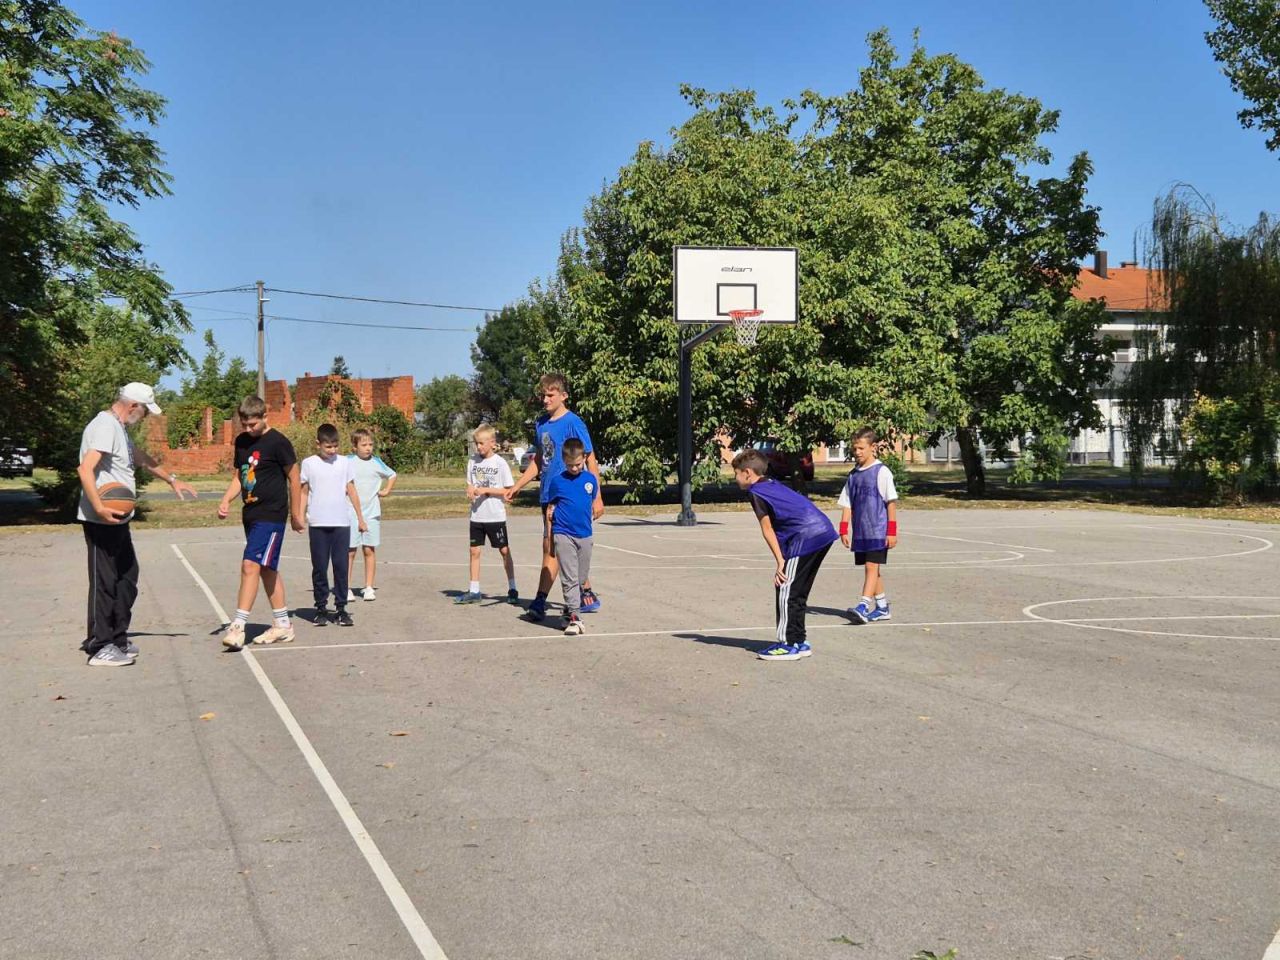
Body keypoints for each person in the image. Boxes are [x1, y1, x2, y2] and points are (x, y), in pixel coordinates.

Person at [77, 383, 197, 666]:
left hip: (118, 519)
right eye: (145, 411)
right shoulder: (105, 426)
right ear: (133, 406)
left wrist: (172, 480)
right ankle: (99, 645)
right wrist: (99, 507)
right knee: (105, 581)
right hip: (102, 518)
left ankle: (117, 638)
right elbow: (85, 469)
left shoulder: (118, 428)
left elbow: (139, 458)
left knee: (127, 577)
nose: (145, 417)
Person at [505, 373, 605, 621]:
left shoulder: (574, 423)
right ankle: (585, 592)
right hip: (549, 495)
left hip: (569, 497)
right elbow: (540, 460)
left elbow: (590, 459)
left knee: (552, 547)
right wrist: (518, 485)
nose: (545, 399)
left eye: (550, 395)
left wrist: (597, 497)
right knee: (562, 547)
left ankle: (540, 601)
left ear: (563, 396)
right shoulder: (541, 424)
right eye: (543, 395)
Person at [733, 449, 837, 662]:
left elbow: (768, 529)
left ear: (748, 473)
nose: (735, 478)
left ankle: (787, 644)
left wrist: (781, 561)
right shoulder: (771, 484)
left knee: (785, 587)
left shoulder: (757, 492)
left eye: (736, 473)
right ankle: (799, 641)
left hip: (806, 536)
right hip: (823, 531)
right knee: (797, 591)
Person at [217, 395, 304, 650]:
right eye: (244, 424)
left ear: (265, 417)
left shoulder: (279, 442)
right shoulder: (242, 441)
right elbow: (240, 476)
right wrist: (226, 499)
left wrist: (296, 514)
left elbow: (295, 478)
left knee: (249, 565)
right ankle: (283, 624)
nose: (248, 429)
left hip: (272, 514)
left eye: (253, 424)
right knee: (267, 568)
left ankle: (238, 626)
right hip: (251, 514)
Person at [299, 423, 366, 627]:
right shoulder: (309, 464)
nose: (332, 450)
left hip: (341, 523)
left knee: (341, 567)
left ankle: (341, 609)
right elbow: (304, 492)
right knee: (320, 567)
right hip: (318, 523)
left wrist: (360, 518)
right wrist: (299, 516)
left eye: (335, 446)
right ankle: (320, 608)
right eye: (328, 447)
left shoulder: (345, 463)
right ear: (318, 444)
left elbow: (351, 490)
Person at [839, 427, 899, 623]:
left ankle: (863, 605)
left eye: (861, 448)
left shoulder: (882, 472)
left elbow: (891, 502)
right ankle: (882, 607)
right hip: (861, 531)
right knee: (873, 569)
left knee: (871, 567)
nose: (857, 452)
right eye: (855, 448)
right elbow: (847, 503)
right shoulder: (853, 475)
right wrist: (843, 528)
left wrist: (891, 531)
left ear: (873, 447)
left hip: (878, 530)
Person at [455, 424, 518, 604]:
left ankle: (512, 588)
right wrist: (470, 490)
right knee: (474, 551)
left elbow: (509, 490)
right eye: (476, 443)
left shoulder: (500, 463)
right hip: (477, 516)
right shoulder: (473, 461)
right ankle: (474, 590)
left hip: (495, 516)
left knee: (504, 550)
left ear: (492, 442)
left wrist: (486, 490)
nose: (478, 447)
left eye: (481, 443)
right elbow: (470, 483)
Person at [544, 438, 596, 636]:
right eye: (570, 465)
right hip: (563, 533)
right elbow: (550, 508)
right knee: (569, 578)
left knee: (581, 578)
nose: (574, 468)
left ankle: (568, 611)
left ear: (584, 458)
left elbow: (589, 501)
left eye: (578, 464)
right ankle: (575, 618)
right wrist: (550, 535)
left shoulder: (590, 480)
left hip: (585, 534)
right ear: (564, 461)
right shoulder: (557, 482)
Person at [346, 427, 397, 602]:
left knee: (369, 549)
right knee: (350, 551)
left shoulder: (376, 462)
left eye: (370, 444)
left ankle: (368, 587)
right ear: (354, 447)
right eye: (364, 445)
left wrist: (386, 490)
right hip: (351, 512)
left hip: (371, 512)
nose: (368, 448)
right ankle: (346, 587)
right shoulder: (347, 461)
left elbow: (392, 474)